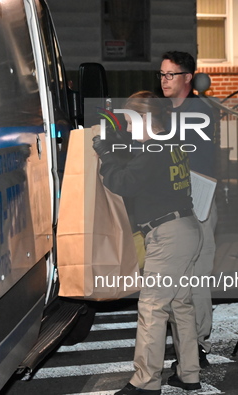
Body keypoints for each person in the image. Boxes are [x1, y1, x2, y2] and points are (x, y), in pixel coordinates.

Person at [93, 91, 203, 394]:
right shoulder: (169, 143)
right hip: (185, 229)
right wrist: (116, 144)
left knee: (153, 308)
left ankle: (145, 382)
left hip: (168, 236)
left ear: (145, 119)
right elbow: (140, 160)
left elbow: (125, 182)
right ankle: (189, 374)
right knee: (180, 305)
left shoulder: (154, 149)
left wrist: (105, 155)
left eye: (129, 122)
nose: (127, 128)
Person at [158, 51, 216, 367]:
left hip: (197, 201)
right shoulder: (160, 112)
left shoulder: (200, 112)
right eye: (162, 74)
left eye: (170, 74)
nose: (164, 80)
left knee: (198, 275)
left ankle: (198, 342)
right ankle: (182, 338)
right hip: (169, 205)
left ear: (187, 78)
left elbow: (198, 160)